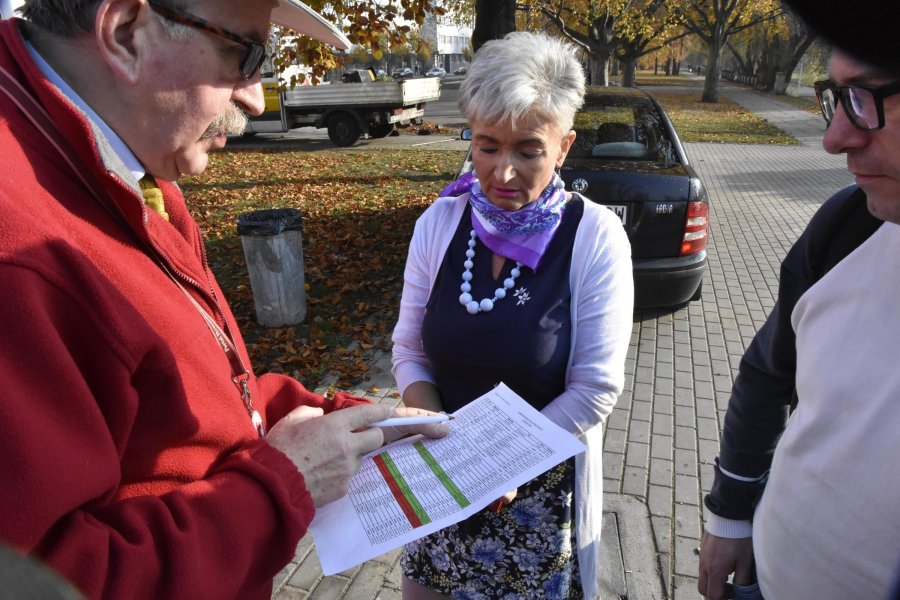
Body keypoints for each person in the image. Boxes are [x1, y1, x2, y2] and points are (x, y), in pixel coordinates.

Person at [0, 1, 448, 598]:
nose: (257, 100)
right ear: (126, 32)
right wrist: (279, 483)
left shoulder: (128, 164)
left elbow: (185, 386)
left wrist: (340, 418)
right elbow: (45, 582)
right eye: (247, 55)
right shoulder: (21, 252)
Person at [391, 31, 634, 600]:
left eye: (528, 150)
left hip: (534, 501)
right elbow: (408, 349)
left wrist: (498, 466)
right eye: (486, 146)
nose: (502, 172)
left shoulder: (594, 237)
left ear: (564, 146)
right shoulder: (440, 224)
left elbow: (595, 389)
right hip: (443, 479)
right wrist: (441, 437)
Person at [697, 46, 900, 600]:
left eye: (870, 95)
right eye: (837, 98)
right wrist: (731, 516)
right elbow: (768, 373)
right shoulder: (848, 224)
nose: (835, 138)